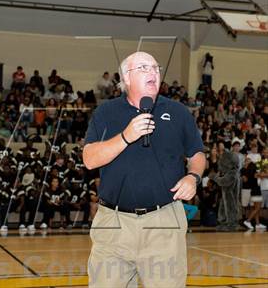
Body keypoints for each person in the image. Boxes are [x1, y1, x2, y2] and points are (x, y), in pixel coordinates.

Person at [83, 52, 205, 288]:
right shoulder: (106, 113)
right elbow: (89, 159)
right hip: (113, 223)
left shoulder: (179, 112)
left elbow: (197, 154)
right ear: (125, 78)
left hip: (164, 221)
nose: (153, 72)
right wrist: (126, 137)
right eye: (143, 67)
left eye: (156, 68)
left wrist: (193, 176)